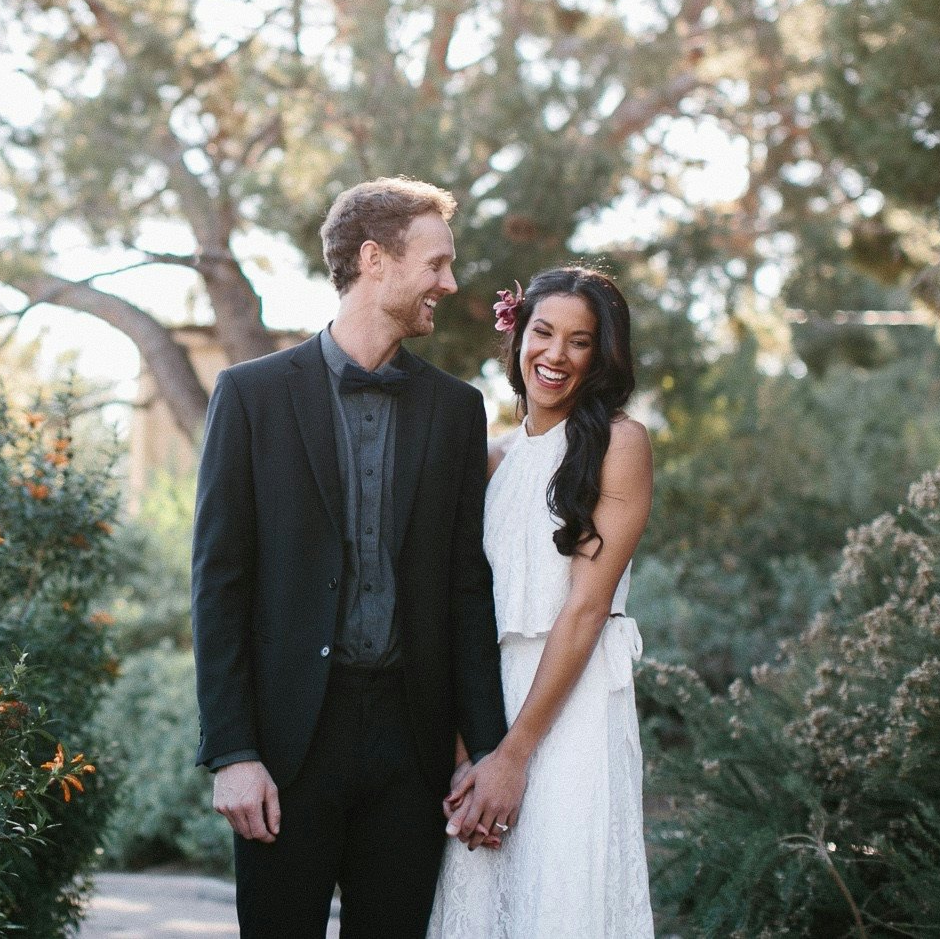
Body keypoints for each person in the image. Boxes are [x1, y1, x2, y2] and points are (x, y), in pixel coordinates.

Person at [191, 177, 507, 938]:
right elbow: (218, 585)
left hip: (412, 743)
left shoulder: (457, 409)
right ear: (375, 258)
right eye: (436, 263)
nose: (450, 282)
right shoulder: (249, 394)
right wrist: (232, 750)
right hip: (287, 744)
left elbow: (467, 589)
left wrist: (483, 749)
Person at [427, 266, 656, 937]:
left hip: (570, 709)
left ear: (601, 355)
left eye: (580, 341)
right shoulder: (493, 458)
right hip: (488, 706)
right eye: (544, 332)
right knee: (478, 898)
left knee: (560, 898)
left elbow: (585, 610)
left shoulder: (620, 443)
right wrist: (473, 752)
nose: (556, 354)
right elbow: (470, 615)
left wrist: (514, 754)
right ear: (517, 334)